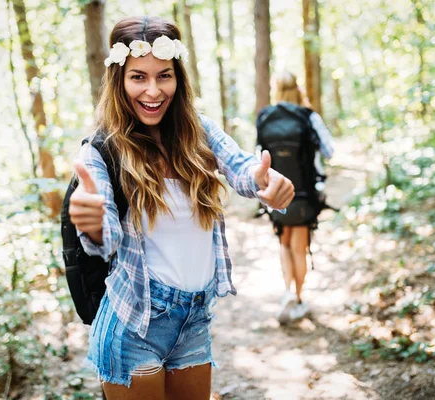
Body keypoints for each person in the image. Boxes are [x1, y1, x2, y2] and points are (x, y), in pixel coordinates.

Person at [68, 16, 294, 399]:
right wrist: (92, 225)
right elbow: (104, 236)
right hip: (134, 323)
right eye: (138, 76)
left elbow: (241, 167)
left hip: (193, 320)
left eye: (164, 76)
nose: (153, 90)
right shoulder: (101, 152)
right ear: (119, 81)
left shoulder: (199, 131)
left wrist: (264, 181)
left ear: (179, 77)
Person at [258, 71, 335, 325]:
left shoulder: (265, 116)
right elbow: (330, 151)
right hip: (304, 194)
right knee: (300, 248)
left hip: (275, 193)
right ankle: (299, 300)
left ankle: (287, 293)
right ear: (297, 88)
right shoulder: (308, 116)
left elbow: (258, 156)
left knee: (285, 243)